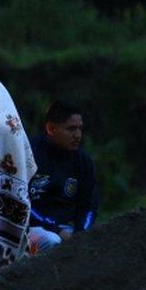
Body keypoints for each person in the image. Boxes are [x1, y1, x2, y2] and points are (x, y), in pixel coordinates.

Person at [27, 101, 98, 252]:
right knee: (52, 243)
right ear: (51, 128)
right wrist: (56, 230)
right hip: (33, 227)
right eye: (71, 129)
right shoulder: (29, 153)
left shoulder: (83, 161)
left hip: (70, 230)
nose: (77, 135)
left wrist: (81, 233)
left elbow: (89, 205)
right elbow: (23, 203)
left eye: (80, 128)